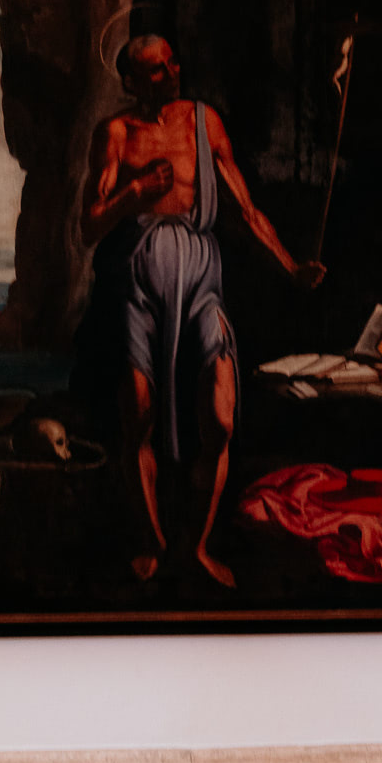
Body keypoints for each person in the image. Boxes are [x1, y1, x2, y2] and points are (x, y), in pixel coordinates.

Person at [81, 34, 325, 588]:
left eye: (172, 64)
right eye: (156, 70)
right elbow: (89, 225)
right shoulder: (116, 133)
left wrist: (290, 267)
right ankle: (152, 543)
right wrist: (135, 191)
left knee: (219, 416)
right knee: (136, 413)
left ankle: (198, 546)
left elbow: (244, 204)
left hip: (200, 280)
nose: (170, 74)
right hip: (137, 282)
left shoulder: (203, 122)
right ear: (132, 81)